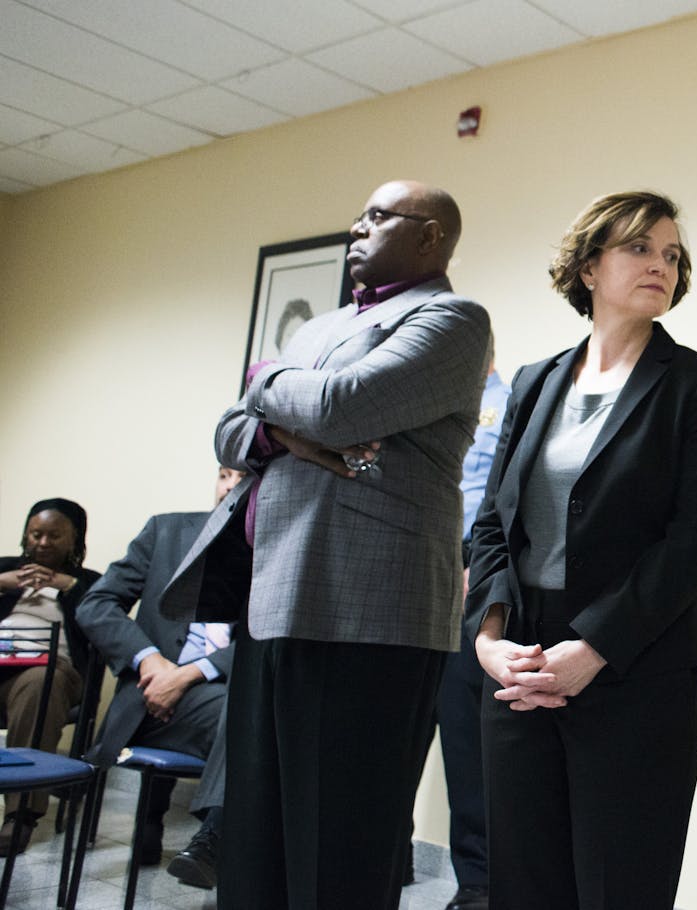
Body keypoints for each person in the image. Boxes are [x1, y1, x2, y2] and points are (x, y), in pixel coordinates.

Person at [161, 180, 491, 909]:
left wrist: (263, 382)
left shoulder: (452, 320)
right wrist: (278, 423)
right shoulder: (322, 330)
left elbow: (344, 408)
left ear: (430, 236)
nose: (355, 228)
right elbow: (229, 430)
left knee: (341, 846)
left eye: (377, 216)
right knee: (253, 841)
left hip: (373, 613)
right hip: (275, 596)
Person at [467, 190, 697, 909]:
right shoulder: (534, 381)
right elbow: (495, 522)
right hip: (520, 665)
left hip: (638, 668)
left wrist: (593, 649)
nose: (661, 265)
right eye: (640, 247)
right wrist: (488, 637)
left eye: (672, 255)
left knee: (621, 889)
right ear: (589, 267)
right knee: (522, 887)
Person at [76, 465, 246, 888]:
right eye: (225, 475)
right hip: (149, 699)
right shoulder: (166, 532)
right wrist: (150, 661)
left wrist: (189, 674)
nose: (230, 487)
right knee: (246, 715)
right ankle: (221, 838)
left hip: (220, 695)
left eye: (244, 478)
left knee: (251, 709)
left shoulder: (275, 553)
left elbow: (266, 640)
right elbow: (96, 604)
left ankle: (217, 837)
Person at [435, 353, 510, 910]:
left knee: (467, 740)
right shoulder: (428, 408)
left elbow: (505, 500)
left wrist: (477, 568)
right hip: (411, 569)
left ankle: (479, 886)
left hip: (469, 569)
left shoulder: (508, 404)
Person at [0, 498, 100, 854]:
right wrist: (3, 582)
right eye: (35, 534)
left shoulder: (89, 583)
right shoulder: (6, 570)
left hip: (49, 674)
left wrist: (66, 586)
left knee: (41, 683)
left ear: (74, 540)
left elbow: (103, 621)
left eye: (54, 536)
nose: (42, 543)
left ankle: (20, 815)